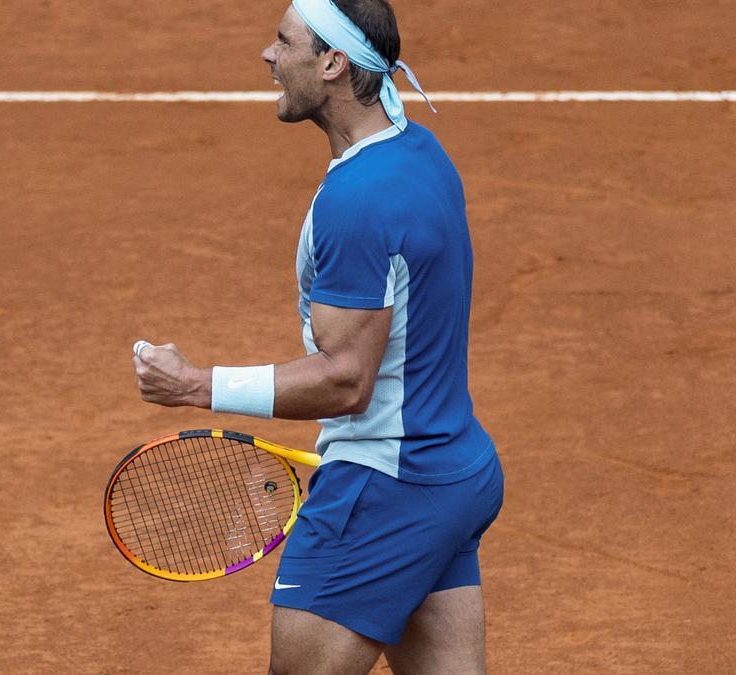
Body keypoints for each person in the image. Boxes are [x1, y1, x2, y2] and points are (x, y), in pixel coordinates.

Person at [132, 1, 504, 672]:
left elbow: (346, 379)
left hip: (385, 491)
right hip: (453, 474)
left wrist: (193, 384)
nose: (268, 57)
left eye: (285, 43)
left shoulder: (357, 200)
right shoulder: (420, 151)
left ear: (333, 63)